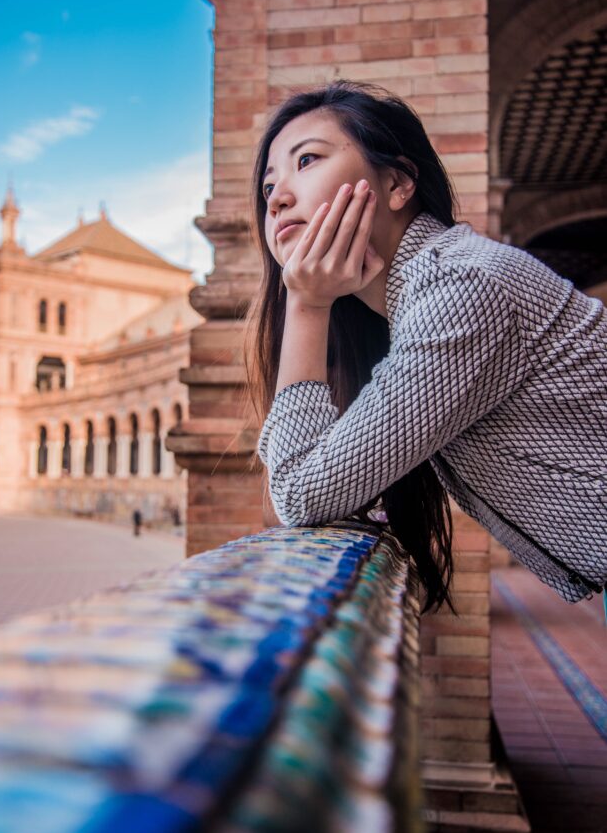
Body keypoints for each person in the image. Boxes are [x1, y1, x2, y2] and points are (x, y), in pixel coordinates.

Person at [247, 80, 607, 611]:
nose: (276, 198)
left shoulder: (463, 287)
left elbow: (300, 494)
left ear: (396, 183)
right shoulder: (414, 304)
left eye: (307, 161)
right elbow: (295, 488)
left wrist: (305, 304)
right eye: (268, 187)